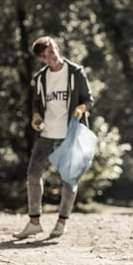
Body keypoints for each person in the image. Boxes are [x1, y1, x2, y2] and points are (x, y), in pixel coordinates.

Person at [13, 36, 94, 239]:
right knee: (33, 174)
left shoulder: (75, 72)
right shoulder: (41, 78)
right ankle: (34, 222)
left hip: (69, 134)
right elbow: (36, 103)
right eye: (45, 58)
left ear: (56, 48)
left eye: (51, 53)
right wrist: (36, 116)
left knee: (69, 177)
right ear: (41, 60)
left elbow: (89, 99)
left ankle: (61, 222)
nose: (50, 59)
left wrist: (81, 108)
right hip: (47, 133)